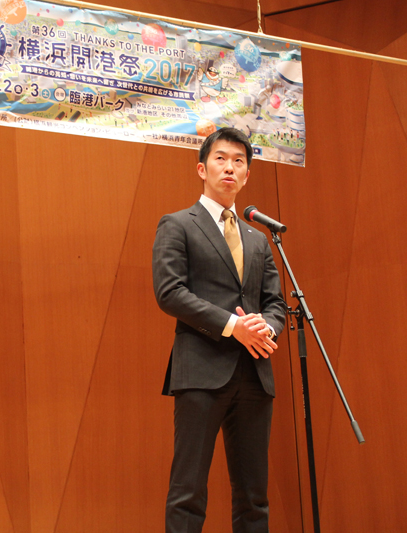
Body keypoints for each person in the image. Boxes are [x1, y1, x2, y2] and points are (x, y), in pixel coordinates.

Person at [152, 127, 287, 533]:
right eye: (221, 159)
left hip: (254, 374)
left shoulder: (258, 238)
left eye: (238, 161)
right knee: (188, 492)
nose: (230, 167)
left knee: (254, 497)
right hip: (200, 372)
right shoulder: (177, 224)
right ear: (202, 169)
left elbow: (276, 304)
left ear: (246, 175)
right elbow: (170, 292)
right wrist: (233, 326)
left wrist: (266, 328)